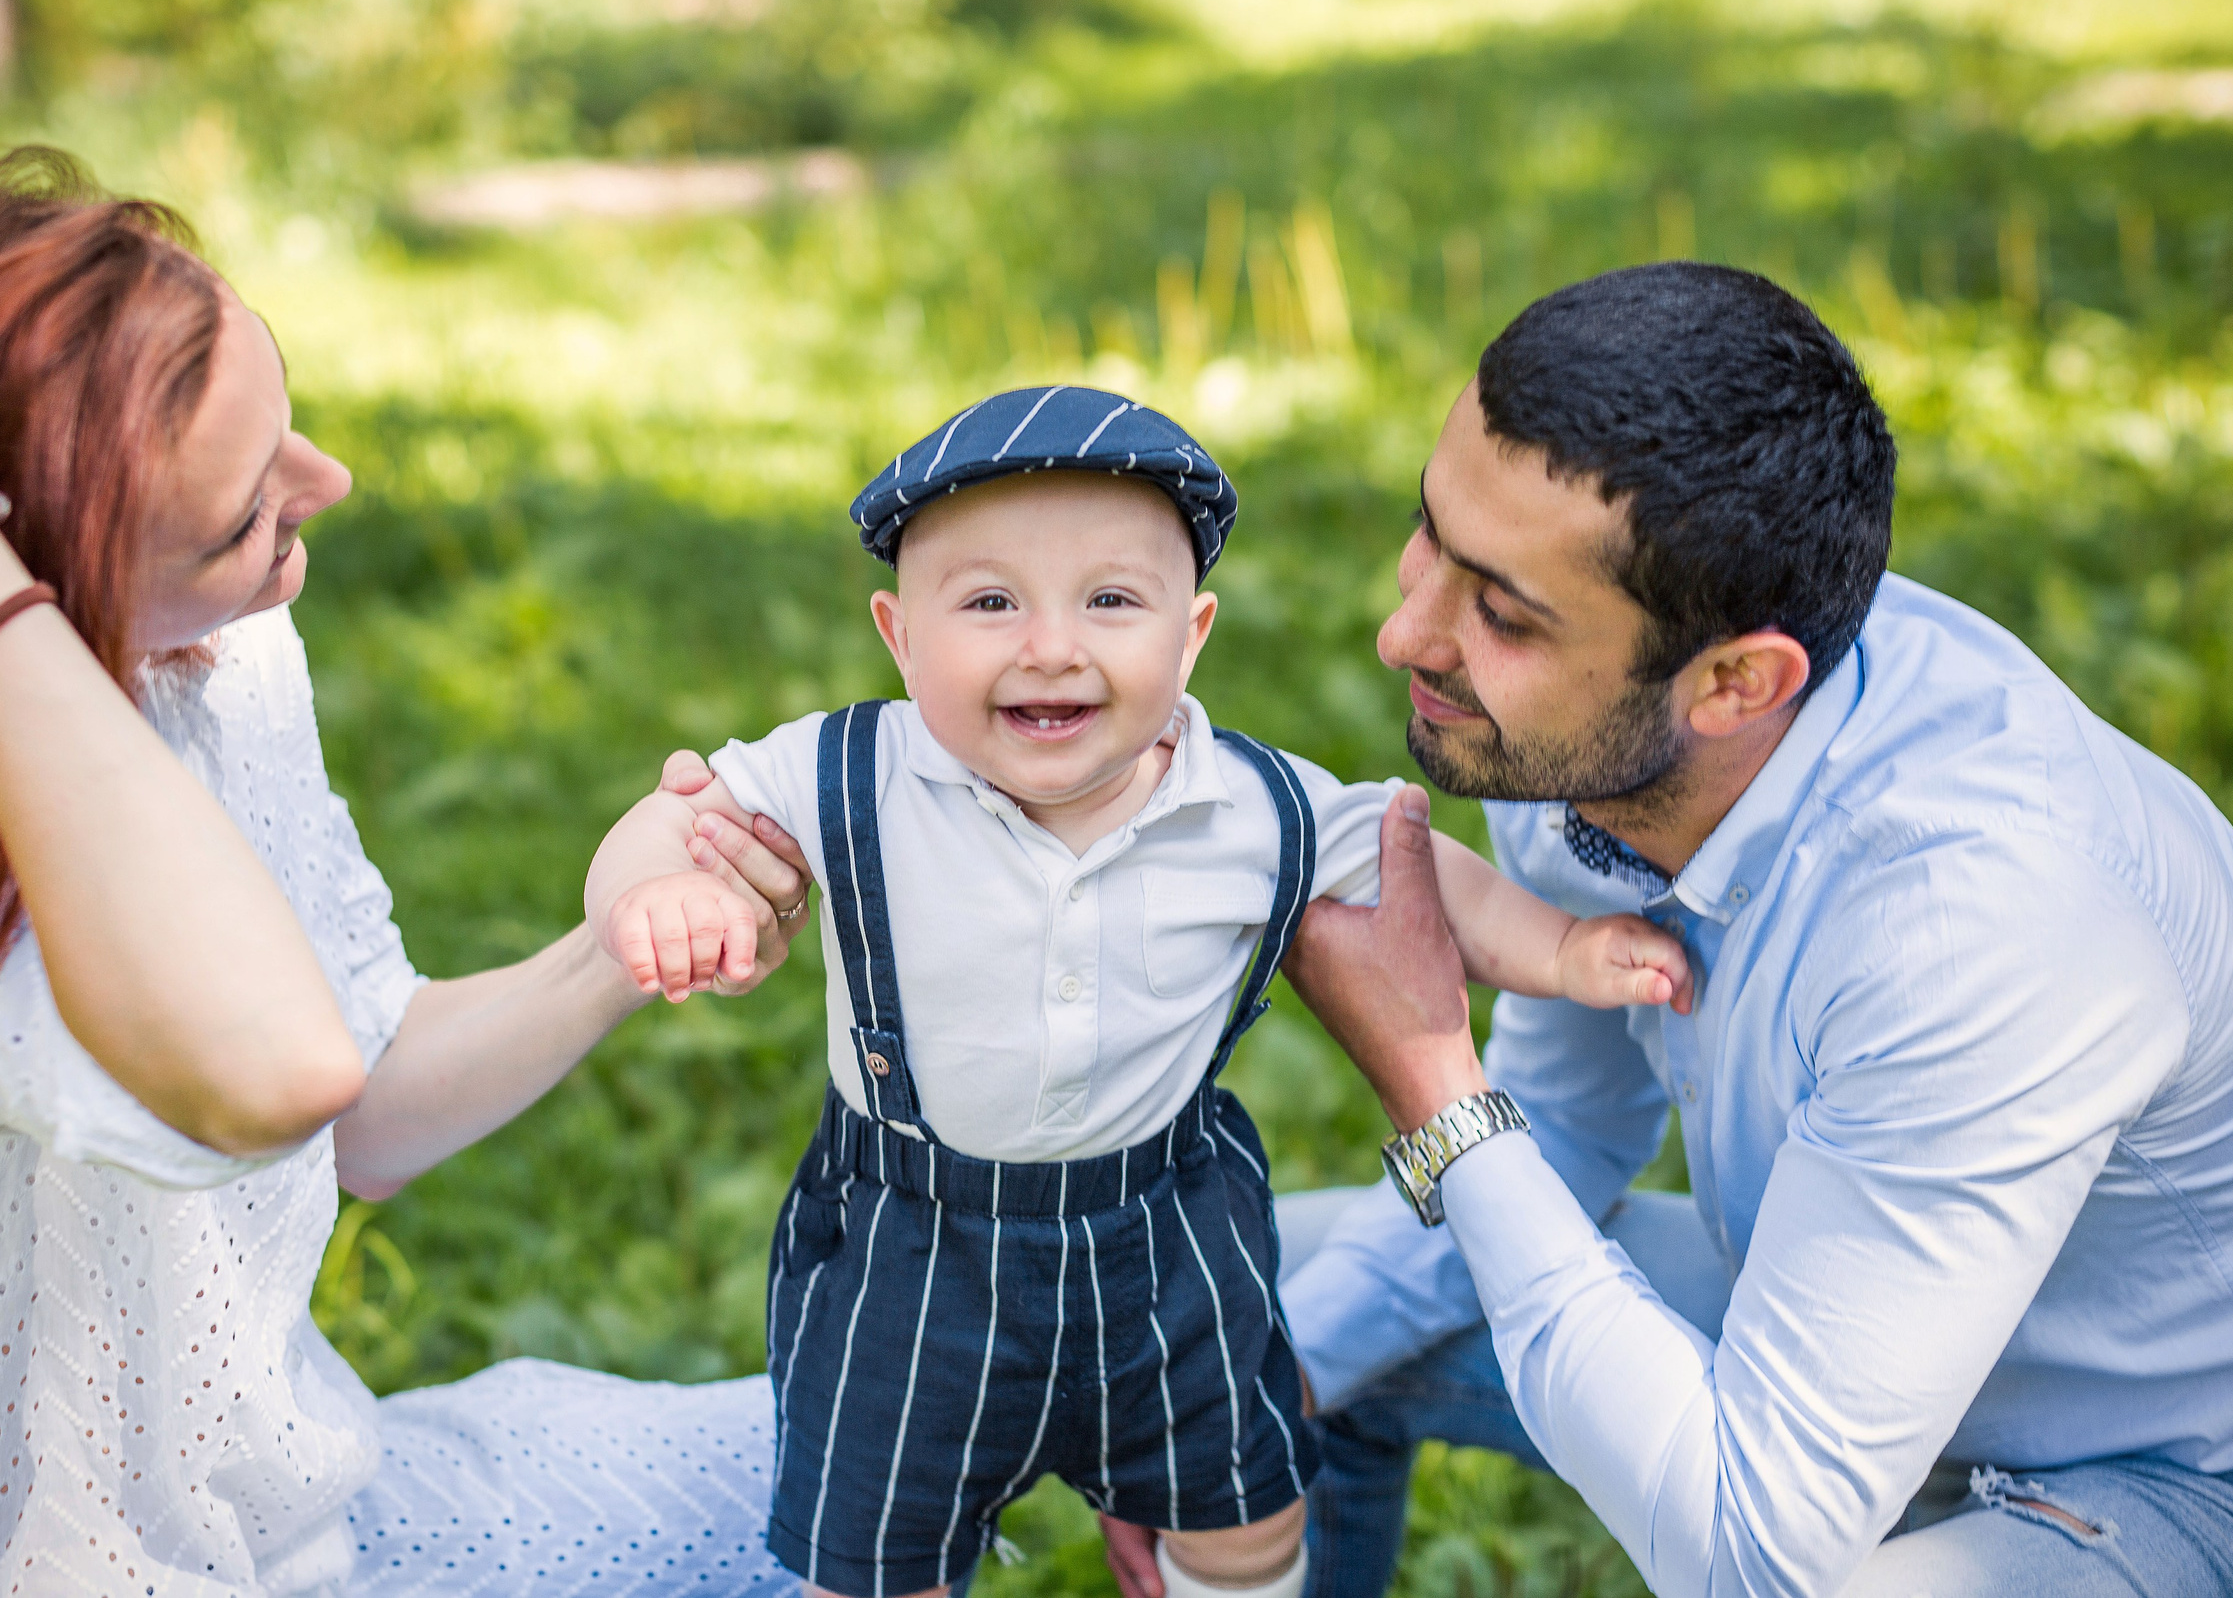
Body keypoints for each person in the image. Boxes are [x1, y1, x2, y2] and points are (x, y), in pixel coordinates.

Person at [1131, 261, 2233, 1597]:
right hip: (1858, 1336)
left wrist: (1432, 1075)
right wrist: (1264, 1400)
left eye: (1500, 612)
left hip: (2221, 1488)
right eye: (1431, 534)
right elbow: (1574, 1121)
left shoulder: (1983, 919)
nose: (1403, 630)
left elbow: (1749, 1551)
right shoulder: (1589, 740)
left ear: (1735, 682)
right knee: (1242, 1315)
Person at [0, 154, 820, 1595]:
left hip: (289, 1531)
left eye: (283, 424)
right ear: (35, 584)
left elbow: (361, 1104)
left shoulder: (207, 659)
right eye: (236, 518)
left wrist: (624, 942)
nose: (326, 486)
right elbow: (272, 1068)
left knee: (899, 1457)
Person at [582, 386, 1693, 1598]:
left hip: (1165, 1234)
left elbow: (1423, 877)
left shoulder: (1251, 802)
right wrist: (654, 893)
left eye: (1111, 602)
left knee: (1248, 1518)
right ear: (900, 637)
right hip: (912, 1248)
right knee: (873, 1558)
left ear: (1193, 633)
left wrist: (1561, 950)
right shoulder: (845, 769)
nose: (1051, 646)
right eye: (990, 602)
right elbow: (677, 816)